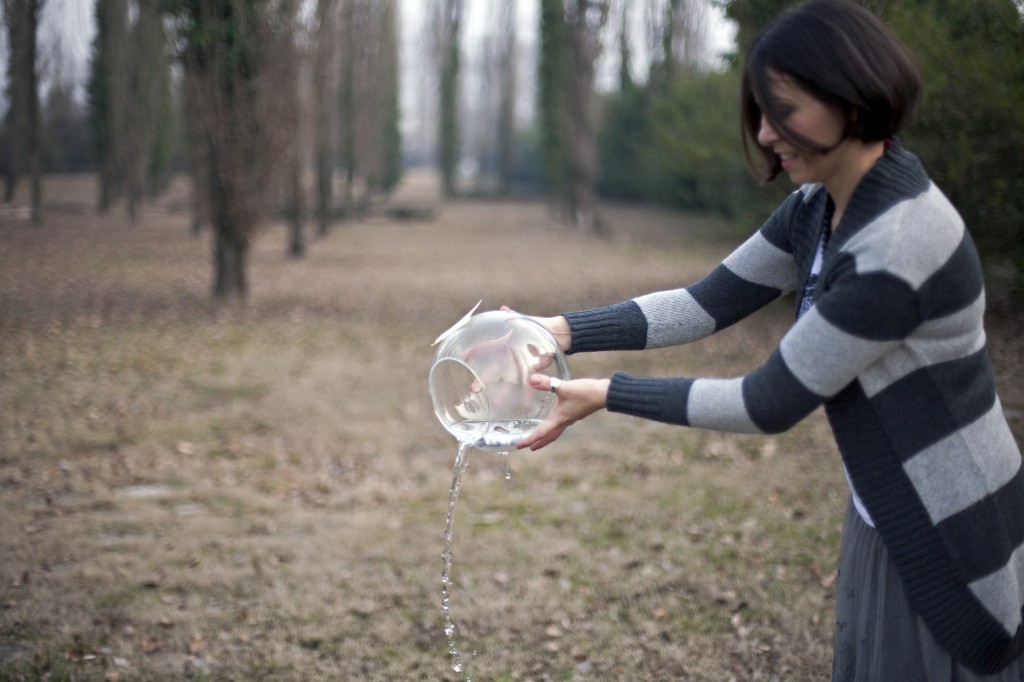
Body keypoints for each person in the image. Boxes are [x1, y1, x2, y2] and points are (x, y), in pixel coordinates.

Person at [512, 1, 1024, 679]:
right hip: (884, 509)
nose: (765, 133)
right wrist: (559, 330)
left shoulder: (900, 247)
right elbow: (706, 303)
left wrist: (608, 394)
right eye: (759, 112)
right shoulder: (821, 207)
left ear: (853, 94)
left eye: (784, 111)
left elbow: (767, 402)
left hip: (950, 532)